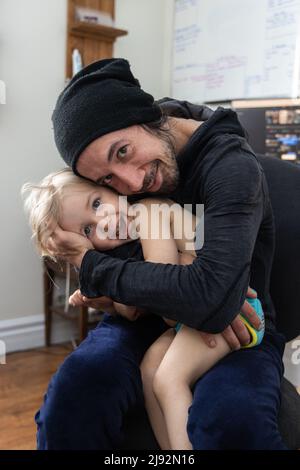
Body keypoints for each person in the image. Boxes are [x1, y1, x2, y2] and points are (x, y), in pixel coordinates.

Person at [33, 58, 287, 449]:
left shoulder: (231, 168)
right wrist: (112, 297)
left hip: (235, 315)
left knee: (231, 416)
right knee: (77, 391)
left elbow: (205, 300)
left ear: (149, 118)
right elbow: (146, 302)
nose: (131, 183)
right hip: (164, 317)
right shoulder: (122, 162)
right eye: (106, 180)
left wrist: (93, 266)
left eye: (123, 152)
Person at [22, 168, 265, 450]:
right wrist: (103, 299)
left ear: (113, 189)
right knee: (149, 370)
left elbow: (162, 294)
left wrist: (107, 281)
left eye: (97, 203)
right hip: (190, 320)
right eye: (87, 230)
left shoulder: (149, 213)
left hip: (232, 311)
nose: (104, 221)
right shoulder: (125, 247)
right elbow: (132, 311)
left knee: (168, 378)